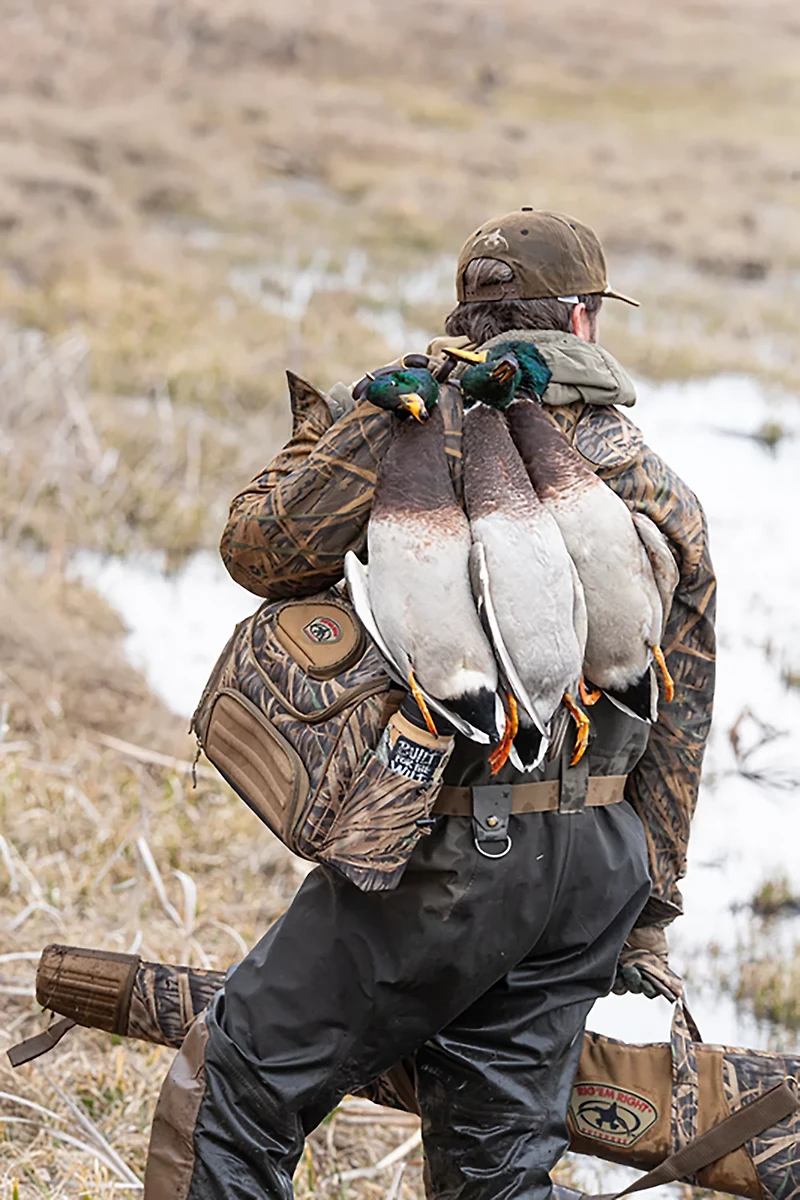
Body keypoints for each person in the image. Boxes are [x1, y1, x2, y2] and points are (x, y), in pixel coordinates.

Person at [143, 210, 716, 1200]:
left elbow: (260, 552)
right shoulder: (650, 480)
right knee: (497, 1167)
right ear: (579, 325)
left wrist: (328, 437)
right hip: (590, 871)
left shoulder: (407, 423)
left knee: (234, 1087)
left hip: (453, 857)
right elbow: (684, 707)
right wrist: (645, 908)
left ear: (466, 321)